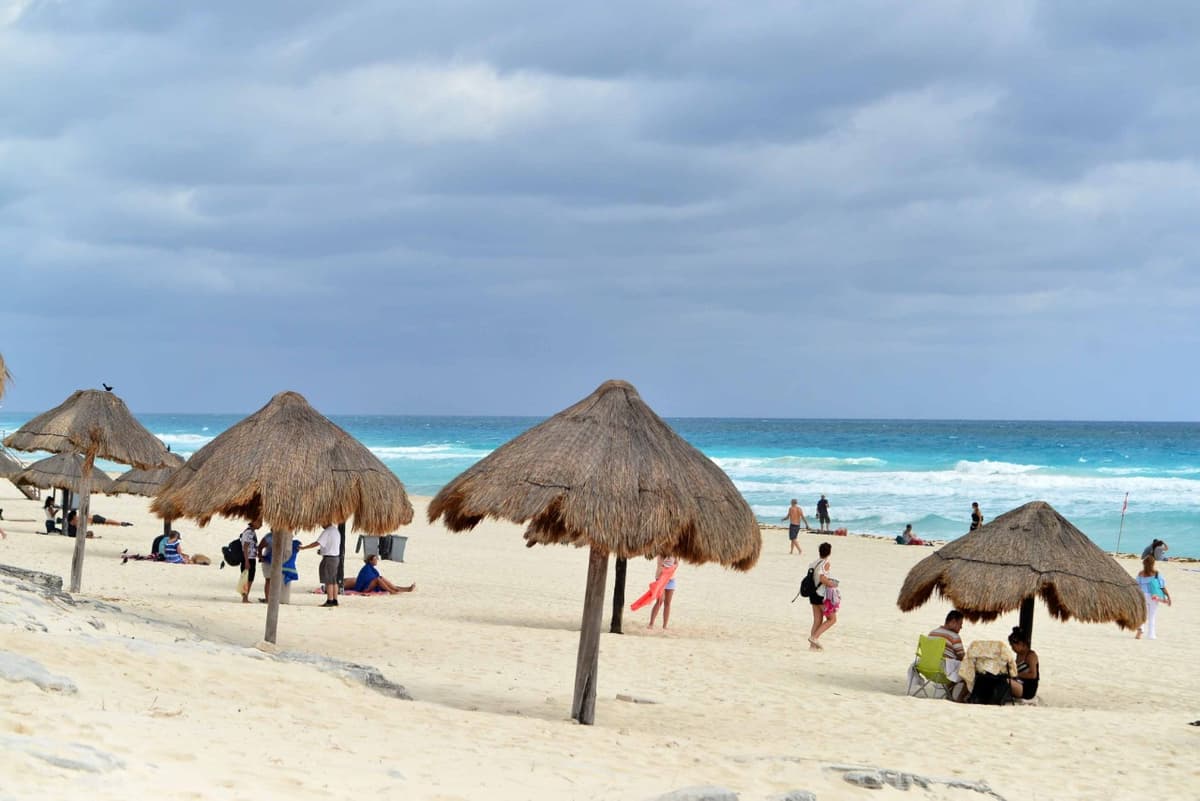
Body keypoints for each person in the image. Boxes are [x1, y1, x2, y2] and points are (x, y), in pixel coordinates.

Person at [928, 609, 968, 701]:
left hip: (928, 667)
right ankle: (959, 699)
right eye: (960, 624)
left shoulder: (932, 633)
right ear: (953, 622)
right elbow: (962, 657)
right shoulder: (954, 636)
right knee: (968, 673)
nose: (961, 628)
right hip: (943, 670)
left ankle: (949, 694)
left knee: (954, 668)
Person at [300, 522, 342, 607]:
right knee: (334, 580)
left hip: (329, 558)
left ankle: (330, 600)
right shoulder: (336, 531)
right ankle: (335, 599)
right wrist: (322, 551)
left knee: (329, 580)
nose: (321, 524)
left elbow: (317, 543)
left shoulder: (327, 531)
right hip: (335, 557)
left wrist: (304, 548)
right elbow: (330, 545)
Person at [807, 542, 837, 650]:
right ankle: (814, 638)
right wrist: (832, 584)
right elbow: (822, 578)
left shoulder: (813, 563)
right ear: (829, 552)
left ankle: (812, 647)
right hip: (821, 595)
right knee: (832, 619)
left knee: (817, 620)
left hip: (812, 594)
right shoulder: (826, 563)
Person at [1135, 555, 1171, 640]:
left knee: (1143, 614)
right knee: (1152, 616)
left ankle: (1141, 628)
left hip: (1142, 595)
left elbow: (1136, 585)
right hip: (1153, 596)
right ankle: (1151, 635)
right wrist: (1168, 597)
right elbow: (1162, 587)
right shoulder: (1156, 574)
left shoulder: (1141, 573)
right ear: (1153, 563)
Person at [346, 554, 416, 594]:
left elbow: (372, 578)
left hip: (368, 586)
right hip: (364, 589)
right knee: (378, 579)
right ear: (370, 561)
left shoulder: (371, 568)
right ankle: (391, 591)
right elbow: (363, 581)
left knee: (381, 578)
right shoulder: (366, 569)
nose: (376, 561)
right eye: (375, 560)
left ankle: (404, 589)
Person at [1007, 627, 1040, 700]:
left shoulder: (1031, 656)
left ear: (1021, 644)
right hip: (1019, 683)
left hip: (1027, 689)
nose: (1012, 648)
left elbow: (1033, 675)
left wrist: (1016, 675)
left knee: (1006, 681)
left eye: (1013, 646)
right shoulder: (1019, 655)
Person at [647, 555, 678, 629]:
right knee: (660, 600)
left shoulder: (675, 552)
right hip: (661, 578)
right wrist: (671, 568)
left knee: (667, 603)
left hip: (671, 579)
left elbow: (676, 563)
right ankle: (651, 623)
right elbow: (661, 565)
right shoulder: (661, 552)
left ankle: (665, 626)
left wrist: (673, 567)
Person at [238, 518, 262, 604]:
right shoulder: (249, 533)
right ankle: (245, 598)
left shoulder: (252, 532)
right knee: (247, 579)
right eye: (259, 522)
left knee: (250, 579)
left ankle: (245, 597)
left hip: (251, 558)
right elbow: (245, 547)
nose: (261, 525)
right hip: (248, 558)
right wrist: (247, 561)